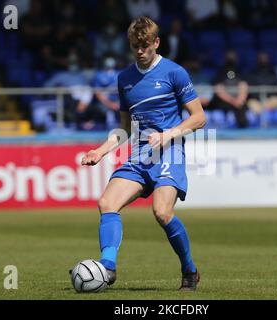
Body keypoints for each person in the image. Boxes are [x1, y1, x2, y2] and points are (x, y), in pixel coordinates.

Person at [78, 17, 205, 291]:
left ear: (156, 43)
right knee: (106, 202)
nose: (139, 51)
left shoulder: (174, 73)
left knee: (161, 212)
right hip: (140, 155)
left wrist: (167, 134)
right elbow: (125, 129)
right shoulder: (124, 79)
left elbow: (199, 118)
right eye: (135, 46)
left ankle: (189, 269)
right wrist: (99, 152)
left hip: (170, 153)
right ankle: (108, 268)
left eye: (145, 45)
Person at [208, 49, 249, 128]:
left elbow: (243, 85)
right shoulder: (220, 71)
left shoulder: (239, 70)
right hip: (224, 102)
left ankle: (243, 130)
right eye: (229, 56)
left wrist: (239, 100)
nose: (231, 58)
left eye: (233, 56)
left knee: (241, 106)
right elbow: (218, 88)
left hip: (238, 102)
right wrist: (232, 100)